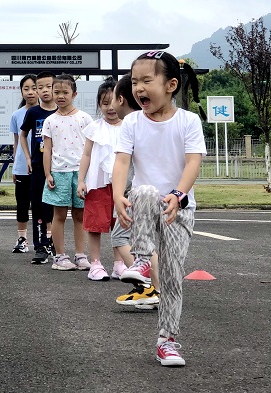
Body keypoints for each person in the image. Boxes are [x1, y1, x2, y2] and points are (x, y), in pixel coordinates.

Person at [113, 50, 206, 367]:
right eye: (134, 81)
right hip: (145, 204)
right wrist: (117, 195)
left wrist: (179, 194)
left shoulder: (188, 121)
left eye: (146, 80)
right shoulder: (131, 122)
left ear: (171, 85)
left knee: (171, 279)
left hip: (179, 210)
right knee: (147, 189)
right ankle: (140, 259)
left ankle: (167, 342)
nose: (138, 88)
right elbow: (122, 162)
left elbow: (193, 162)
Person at [110, 74, 160, 309]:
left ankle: (152, 288)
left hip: (133, 192)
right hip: (150, 191)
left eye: (112, 99)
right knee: (145, 241)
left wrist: (120, 194)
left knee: (122, 237)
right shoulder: (149, 121)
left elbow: (124, 165)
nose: (111, 106)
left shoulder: (131, 124)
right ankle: (153, 289)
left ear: (120, 99)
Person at [41, 74, 91, 271]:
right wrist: (48, 174)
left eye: (65, 92)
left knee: (80, 215)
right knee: (58, 216)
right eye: (57, 92)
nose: (60, 96)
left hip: (80, 174)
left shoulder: (85, 118)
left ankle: (81, 255)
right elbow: (47, 150)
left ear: (74, 94)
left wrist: (88, 176)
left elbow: (90, 150)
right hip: (58, 172)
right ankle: (60, 256)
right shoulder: (50, 121)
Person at [77, 78, 124, 281]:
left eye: (114, 103)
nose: (110, 108)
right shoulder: (94, 128)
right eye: (105, 103)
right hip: (97, 183)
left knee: (121, 224)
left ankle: (119, 263)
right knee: (95, 223)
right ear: (99, 105)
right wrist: (81, 180)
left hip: (122, 185)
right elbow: (86, 155)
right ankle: (95, 263)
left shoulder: (130, 126)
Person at [19, 71, 57, 264]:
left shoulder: (61, 111)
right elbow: (23, 135)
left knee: (56, 209)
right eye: (39, 87)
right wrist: (27, 157)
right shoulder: (33, 113)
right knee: (38, 207)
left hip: (59, 167)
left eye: (47, 86)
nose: (43, 90)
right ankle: (40, 246)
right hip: (37, 166)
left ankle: (56, 244)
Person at [10, 74, 38, 253]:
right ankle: (22, 239)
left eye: (34, 88)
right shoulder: (17, 115)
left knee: (42, 206)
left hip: (41, 166)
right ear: (21, 91)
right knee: (22, 204)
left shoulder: (49, 112)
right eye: (26, 88)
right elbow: (16, 143)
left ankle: (46, 239)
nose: (30, 92)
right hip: (21, 167)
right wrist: (14, 166)